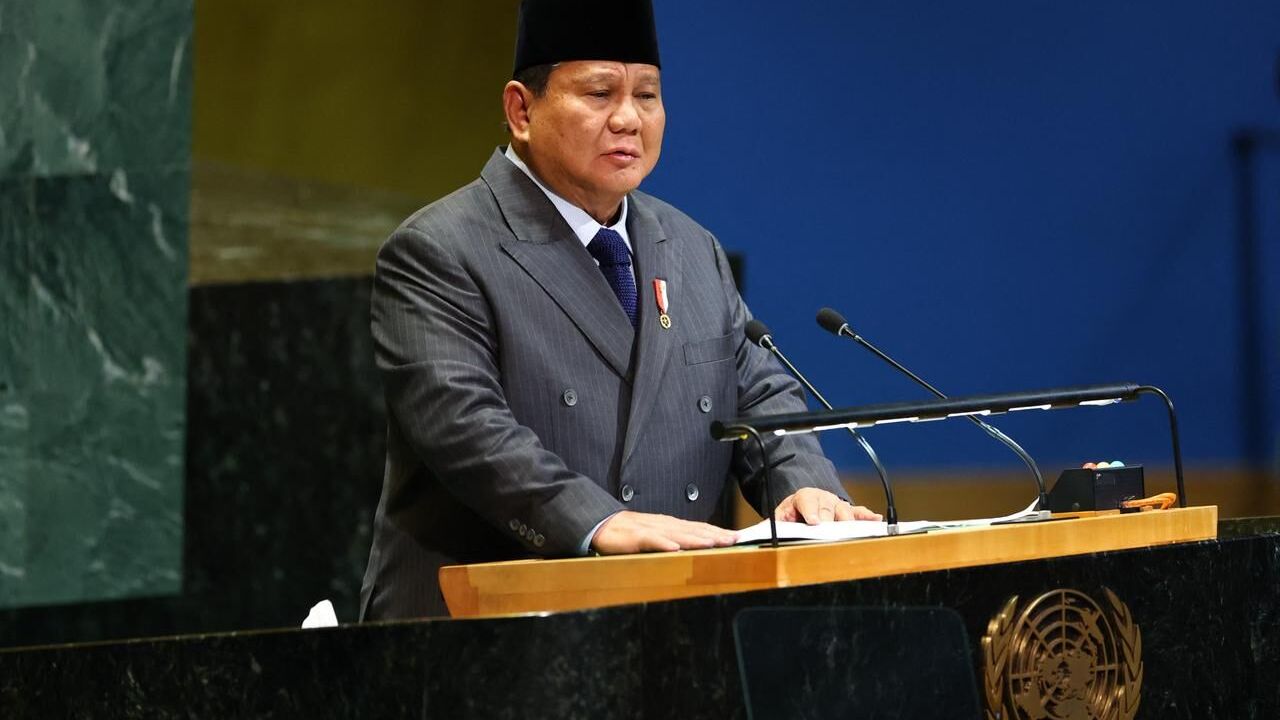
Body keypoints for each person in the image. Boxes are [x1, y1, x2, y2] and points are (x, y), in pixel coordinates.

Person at [359, 0, 880, 620]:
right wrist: (599, 521)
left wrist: (806, 490)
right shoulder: (439, 249)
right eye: (600, 93)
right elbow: (466, 430)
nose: (629, 119)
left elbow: (760, 397)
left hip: (671, 617)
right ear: (521, 111)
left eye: (648, 96)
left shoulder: (690, 247)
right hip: (485, 628)